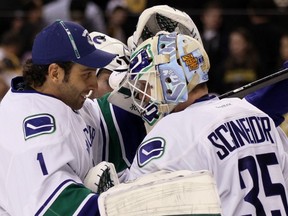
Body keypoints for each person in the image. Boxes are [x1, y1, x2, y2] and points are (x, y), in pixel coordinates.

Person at [125, 31, 288, 215]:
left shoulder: (170, 133)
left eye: (146, 86)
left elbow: (137, 208)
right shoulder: (260, 117)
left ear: (171, 80)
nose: (141, 96)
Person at [0, 20, 116, 215]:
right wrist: (125, 206)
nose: (94, 85)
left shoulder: (59, 99)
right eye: (87, 74)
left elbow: (102, 120)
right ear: (55, 73)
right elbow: (57, 209)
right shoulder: (31, 137)